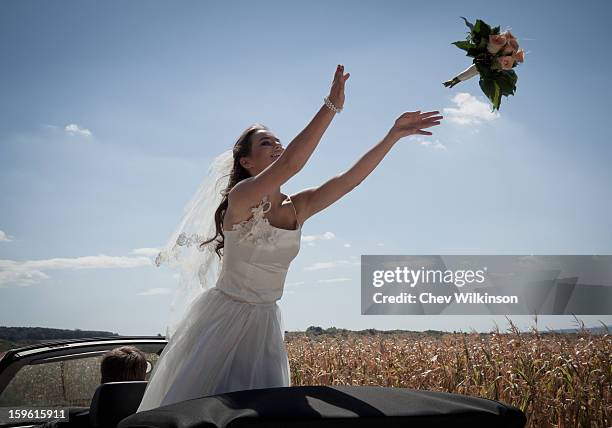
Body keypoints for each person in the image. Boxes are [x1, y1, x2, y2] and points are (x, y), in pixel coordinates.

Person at [136, 64, 443, 412]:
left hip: (265, 325)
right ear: (247, 162)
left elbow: (350, 180)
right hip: (221, 322)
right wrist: (331, 106)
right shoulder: (241, 199)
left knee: (265, 415)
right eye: (266, 142)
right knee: (202, 411)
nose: (278, 146)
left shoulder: (299, 207)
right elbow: (294, 164)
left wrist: (392, 136)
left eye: (279, 141)